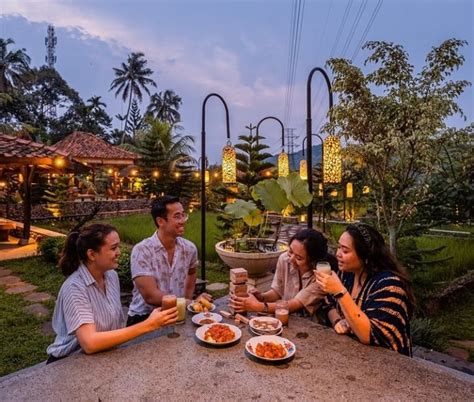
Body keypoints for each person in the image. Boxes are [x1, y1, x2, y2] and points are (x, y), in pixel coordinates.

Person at [47, 224, 178, 363]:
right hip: (69, 362)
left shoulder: (111, 276)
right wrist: (149, 324)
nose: (119, 252)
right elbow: (89, 343)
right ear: (91, 254)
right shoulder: (74, 288)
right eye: (113, 248)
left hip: (103, 357)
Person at [315, 223, 414, 356]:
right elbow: (328, 302)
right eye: (338, 247)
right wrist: (338, 321)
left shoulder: (389, 285)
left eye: (345, 251)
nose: (338, 254)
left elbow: (369, 334)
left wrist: (340, 292)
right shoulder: (347, 273)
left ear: (365, 257)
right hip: (353, 355)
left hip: (388, 363)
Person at [127, 195, 211, 326]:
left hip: (178, 313)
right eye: (177, 216)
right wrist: (189, 302)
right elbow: (151, 296)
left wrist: (187, 299)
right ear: (160, 221)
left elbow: (192, 272)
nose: (183, 220)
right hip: (145, 318)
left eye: (183, 215)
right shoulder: (142, 251)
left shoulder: (189, 248)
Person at [230, 228, 336, 316]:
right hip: (283, 316)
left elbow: (294, 304)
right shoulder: (284, 259)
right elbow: (277, 292)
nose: (291, 259)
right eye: (290, 251)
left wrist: (258, 306)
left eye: (299, 258)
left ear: (312, 261)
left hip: (311, 325)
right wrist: (262, 297)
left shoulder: (322, 277)